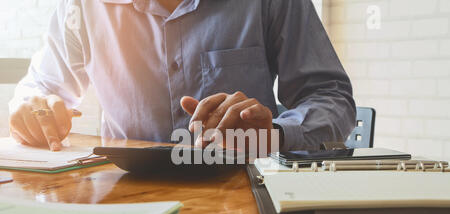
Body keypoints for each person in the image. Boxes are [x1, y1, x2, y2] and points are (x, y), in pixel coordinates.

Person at [8, 0, 356, 152]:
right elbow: (39, 89)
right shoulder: (82, 6)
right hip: (126, 203)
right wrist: (31, 109)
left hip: (246, 197)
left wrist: (276, 135)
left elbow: (330, 95)